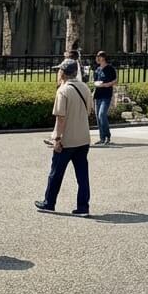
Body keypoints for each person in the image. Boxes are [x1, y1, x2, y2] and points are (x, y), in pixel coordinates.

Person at [36, 60, 93, 215]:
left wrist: (57, 139)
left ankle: (49, 202)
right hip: (83, 138)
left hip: (67, 139)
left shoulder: (63, 90)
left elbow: (61, 118)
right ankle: (83, 207)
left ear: (62, 72)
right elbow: (89, 111)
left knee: (56, 172)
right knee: (82, 174)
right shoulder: (85, 87)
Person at [91, 50, 117, 145]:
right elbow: (95, 81)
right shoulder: (97, 69)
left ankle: (107, 136)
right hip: (98, 94)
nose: (97, 58)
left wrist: (106, 85)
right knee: (98, 117)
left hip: (106, 94)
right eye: (97, 56)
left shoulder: (110, 69)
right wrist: (96, 84)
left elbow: (115, 81)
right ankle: (102, 138)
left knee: (102, 114)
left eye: (99, 56)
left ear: (103, 57)